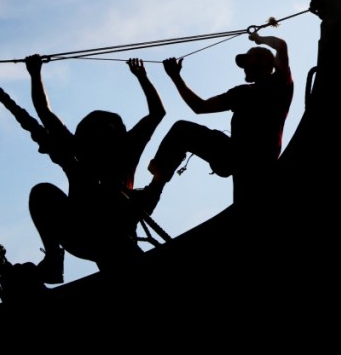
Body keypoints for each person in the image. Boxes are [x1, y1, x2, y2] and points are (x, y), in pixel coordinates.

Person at [25, 55, 165, 284]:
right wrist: (35, 74)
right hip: (85, 231)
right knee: (42, 193)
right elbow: (44, 112)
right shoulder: (91, 149)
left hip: (111, 231)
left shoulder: (118, 149)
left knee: (42, 193)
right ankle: (53, 259)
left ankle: (53, 258)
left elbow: (157, 113)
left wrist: (35, 73)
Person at [142, 31, 292, 209]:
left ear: (265, 61)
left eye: (248, 60)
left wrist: (259, 39)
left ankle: (152, 193)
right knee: (182, 130)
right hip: (236, 156)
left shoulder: (280, 83)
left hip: (259, 159)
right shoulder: (241, 92)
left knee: (249, 204)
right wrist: (176, 77)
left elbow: (281, 45)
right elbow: (200, 107)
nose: (244, 67)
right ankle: (153, 192)